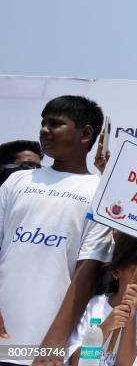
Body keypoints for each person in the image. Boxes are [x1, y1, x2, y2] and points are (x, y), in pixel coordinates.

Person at [0, 95, 113, 365]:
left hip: (42, 348)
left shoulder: (101, 194)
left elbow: (86, 273)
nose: (44, 130)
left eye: (55, 124)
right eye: (43, 123)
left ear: (86, 134)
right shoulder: (18, 180)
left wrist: (53, 344)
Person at [68, 234, 137, 366]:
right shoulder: (95, 305)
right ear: (116, 271)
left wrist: (130, 318)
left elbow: (126, 364)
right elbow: (76, 361)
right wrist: (105, 327)